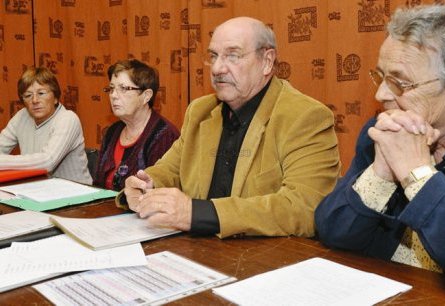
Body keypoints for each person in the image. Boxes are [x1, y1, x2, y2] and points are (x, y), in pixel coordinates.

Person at [119, 16, 340, 238]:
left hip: (266, 260)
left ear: (267, 62)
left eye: (232, 55)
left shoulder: (305, 116)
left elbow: (304, 208)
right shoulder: (200, 111)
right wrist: (147, 184)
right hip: (196, 252)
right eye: (213, 56)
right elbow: (172, 169)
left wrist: (196, 213)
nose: (217, 68)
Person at [315, 3, 445, 282]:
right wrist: (381, 172)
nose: (381, 94)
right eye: (380, 77)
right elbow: (332, 230)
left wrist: (417, 176)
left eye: (399, 83)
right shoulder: (383, 131)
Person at [94, 59, 179, 191]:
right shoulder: (112, 132)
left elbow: (159, 192)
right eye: (111, 89)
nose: (113, 95)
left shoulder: (164, 135)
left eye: (124, 88)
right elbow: (98, 185)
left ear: (146, 96)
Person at [0, 67, 92, 185]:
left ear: (55, 97)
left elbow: (47, 162)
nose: (35, 100)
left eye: (41, 93)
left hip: (77, 196)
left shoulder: (68, 119)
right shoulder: (22, 116)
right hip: (37, 191)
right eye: (28, 95)